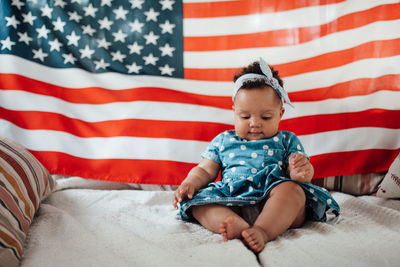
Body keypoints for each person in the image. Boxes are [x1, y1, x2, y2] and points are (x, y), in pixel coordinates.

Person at [173, 58, 340, 253]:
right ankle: (234, 223)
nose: (254, 123)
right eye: (245, 117)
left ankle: (262, 230)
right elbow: (204, 169)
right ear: (234, 112)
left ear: (280, 113)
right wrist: (190, 183)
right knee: (198, 204)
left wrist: (301, 172)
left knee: (293, 190)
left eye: (266, 117)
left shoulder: (286, 140)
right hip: (232, 199)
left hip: (274, 202)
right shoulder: (223, 140)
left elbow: (300, 174)